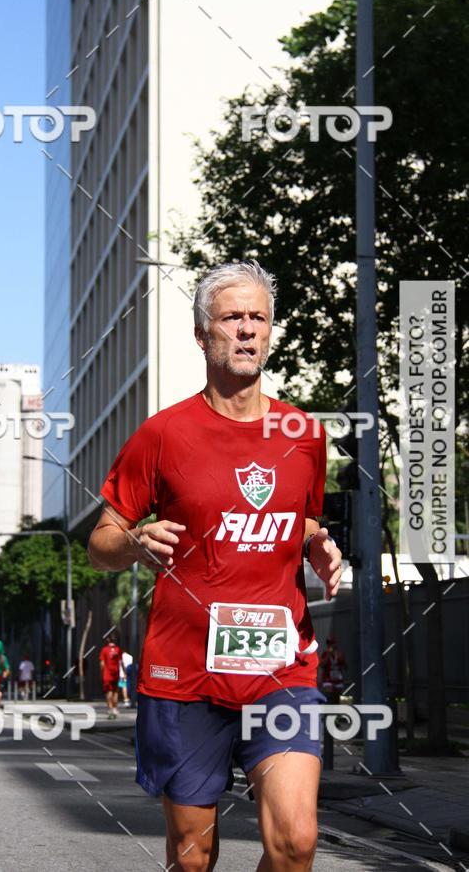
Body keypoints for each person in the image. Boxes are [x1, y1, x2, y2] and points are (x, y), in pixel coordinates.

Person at [88, 261, 342, 871]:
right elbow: (101, 543)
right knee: (193, 858)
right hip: (186, 674)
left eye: (259, 318)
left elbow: (300, 519)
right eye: (233, 318)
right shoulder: (163, 434)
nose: (248, 330)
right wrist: (135, 542)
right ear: (203, 336)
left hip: (281, 666)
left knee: (294, 843)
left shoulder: (303, 435)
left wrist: (317, 543)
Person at [99, 635, 124, 720]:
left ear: (108, 640)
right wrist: (123, 672)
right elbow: (121, 662)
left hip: (107, 673)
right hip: (116, 673)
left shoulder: (104, 650)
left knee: (108, 691)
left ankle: (110, 709)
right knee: (115, 691)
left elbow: (102, 663)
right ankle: (115, 708)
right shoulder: (118, 649)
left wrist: (102, 673)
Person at [319, 636, 347, 702]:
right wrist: (328, 654)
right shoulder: (325, 654)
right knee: (329, 693)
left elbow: (345, 667)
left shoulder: (339, 654)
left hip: (338, 679)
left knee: (338, 697)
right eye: (328, 643)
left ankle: (338, 710)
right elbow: (322, 665)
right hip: (328, 679)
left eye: (332, 643)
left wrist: (342, 660)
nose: (330, 645)